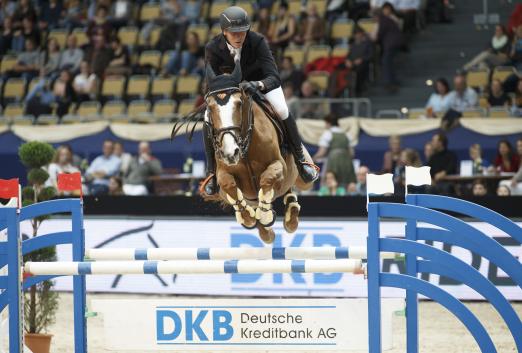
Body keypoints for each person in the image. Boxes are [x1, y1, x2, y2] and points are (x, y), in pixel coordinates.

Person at [202, 6, 319, 195]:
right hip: (231, 93)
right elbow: (210, 81)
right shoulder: (213, 48)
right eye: (234, 33)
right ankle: (211, 174)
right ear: (224, 32)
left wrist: (258, 84)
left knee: (281, 109)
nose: (240, 36)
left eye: (243, 31)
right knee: (208, 117)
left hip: (262, 86)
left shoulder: (257, 42)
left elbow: (274, 76)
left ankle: (301, 160)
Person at [313, 114, 356, 188]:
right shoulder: (346, 135)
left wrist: (313, 159)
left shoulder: (327, 134)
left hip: (333, 161)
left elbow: (322, 152)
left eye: (325, 123)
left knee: (330, 182)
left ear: (329, 123)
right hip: (347, 162)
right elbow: (352, 153)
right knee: (346, 184)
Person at [374, 2, 404, 92]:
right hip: (394, 42)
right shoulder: (389, 19)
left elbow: (380, 33)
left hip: (391, 43)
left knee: (386, 62)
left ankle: (389, 83)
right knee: (389, 62)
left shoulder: (384, 20)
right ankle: (393, 81)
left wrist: (375, 38)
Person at [345, 27, 373, 95]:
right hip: (352, 63)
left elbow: (370, 55)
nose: (358, 35)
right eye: (356, 34)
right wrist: (347, 60)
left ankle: (358, 90)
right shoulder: (353, 44)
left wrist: (362, 59)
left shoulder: (367, 44)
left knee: (359, 70)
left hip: (363, 63)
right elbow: (348, 55)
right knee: (338, 69)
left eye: (359, 34)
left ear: (362, 34)